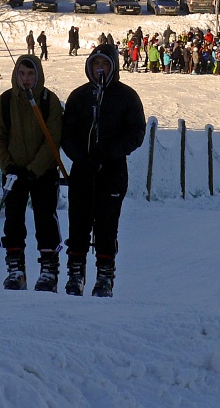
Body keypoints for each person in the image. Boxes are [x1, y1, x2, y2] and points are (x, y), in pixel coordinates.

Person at [61, 44, 146, 297]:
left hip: (112, 172)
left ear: (113, 66)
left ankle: (104, 276)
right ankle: (75, 275)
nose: (100, 68)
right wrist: (80, 157)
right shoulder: (79, 97)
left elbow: (136, 133)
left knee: (107, 227)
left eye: (105, 64)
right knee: (78, 225)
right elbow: (66, 134)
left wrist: (108, 154)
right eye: (96, 64)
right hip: (83, 171)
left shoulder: (127, 96)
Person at [0, 55, 64, 292]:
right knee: (12, 220)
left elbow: (53, 138)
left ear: (38, 75)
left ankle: (48, 272)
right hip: (13, 172)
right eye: (22, 74)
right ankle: (15, 269)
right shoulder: (5, 101)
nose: (26, 79)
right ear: (16, 74)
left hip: (42, 173)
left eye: (31, 74)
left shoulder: (49, 100)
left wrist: (35, 169)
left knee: (45, 220)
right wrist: (8, 166)